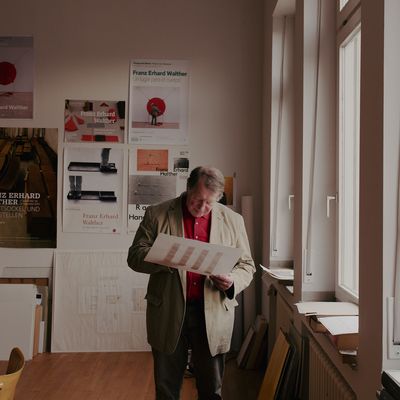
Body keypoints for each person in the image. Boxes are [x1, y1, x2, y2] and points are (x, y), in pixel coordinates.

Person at [127, 166, 255, 400]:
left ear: (218, 199)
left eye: (209, 203)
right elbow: (135, 256)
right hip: (168, 310)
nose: (202, 207)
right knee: (166, 388)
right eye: (197, 200)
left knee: (211, 389)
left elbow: (247, 265)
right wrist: (167, 258)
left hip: (212, 313)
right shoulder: (157, 214)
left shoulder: (233, 221)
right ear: (187, 189)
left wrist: (232, 281)